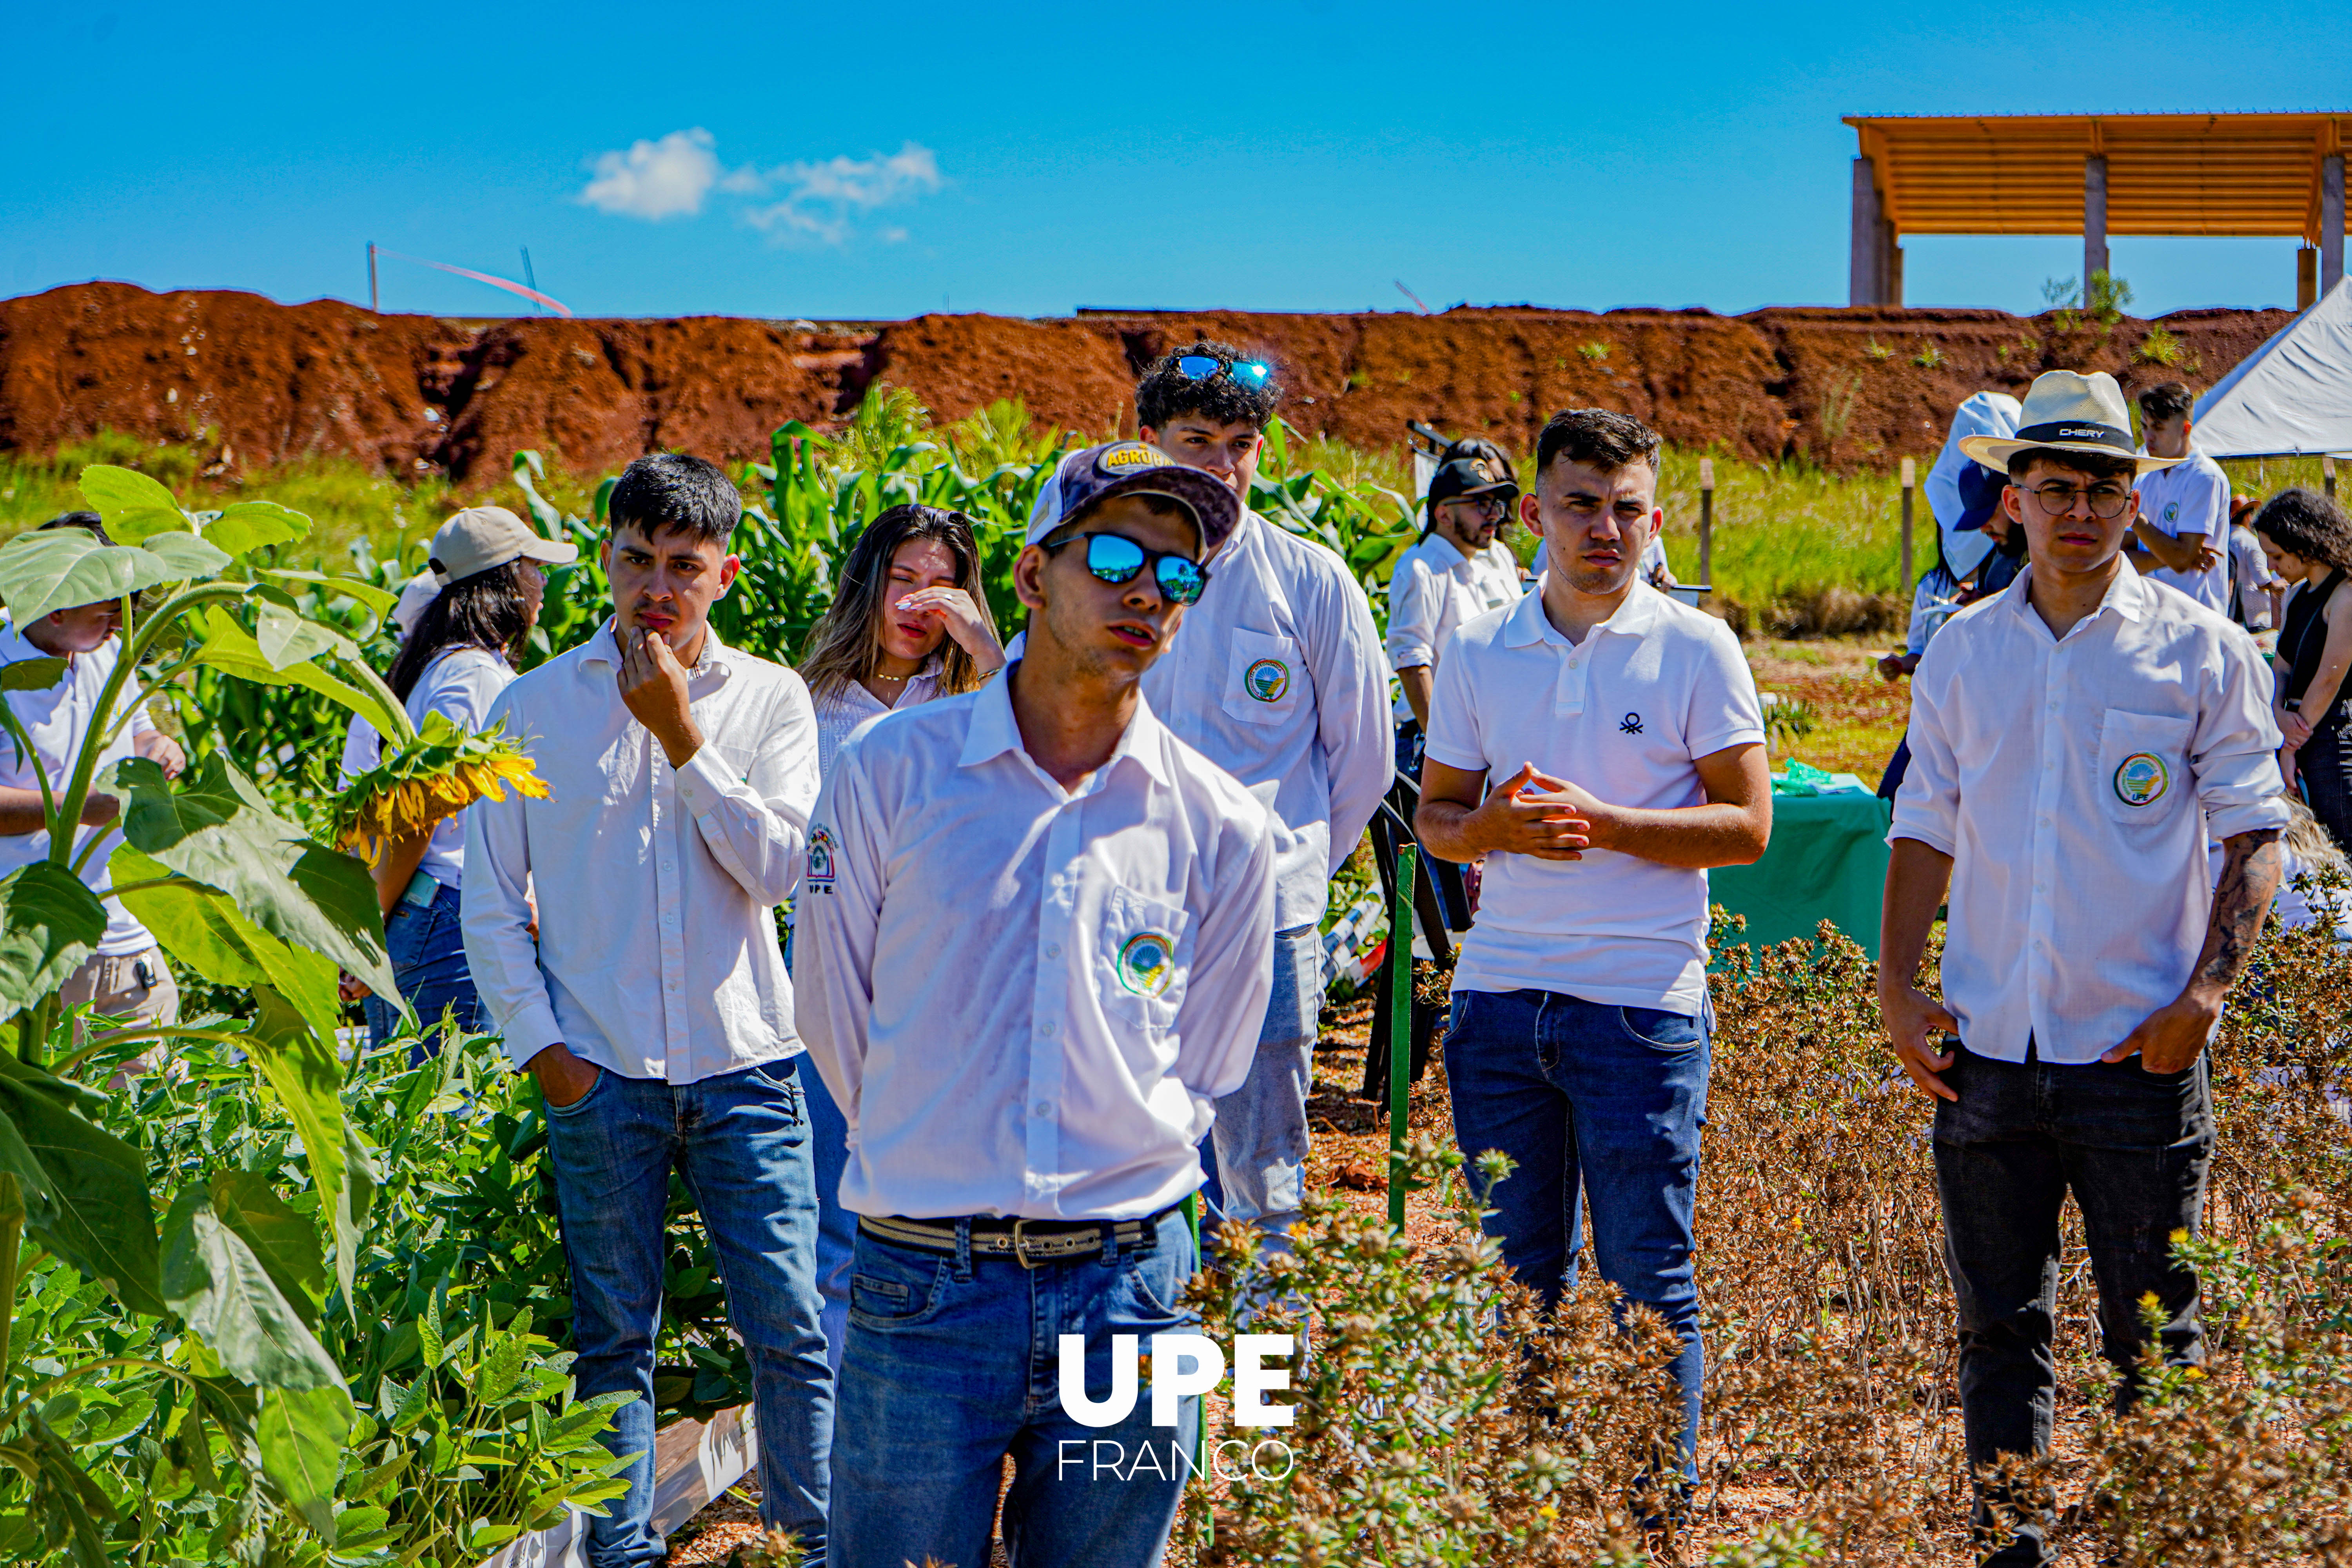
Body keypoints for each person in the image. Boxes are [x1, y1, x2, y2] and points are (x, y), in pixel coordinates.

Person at [796, 441, 1275, 1568]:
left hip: (1134, 1302)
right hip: (921, 1293)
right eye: (1114, 554)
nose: (1148, 589)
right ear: (1029, 576)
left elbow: (1205, 1064)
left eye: (1178, 571)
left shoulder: (1218, 823)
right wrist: (937, 1153)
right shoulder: (887, 774)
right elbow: (832, 1012)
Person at [1883, 370, 2288, 1568]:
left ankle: (2152, 1543)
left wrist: (2202, 999)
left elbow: (2252, 832)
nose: (2074, 509)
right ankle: (2008, 1550)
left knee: (2153, 1337)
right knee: (1997, 1332)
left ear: (2132, 499)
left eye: (2098, 488)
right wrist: (1898, 985)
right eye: (2049, 486)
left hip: (2134, 1057)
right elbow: (1924, 823)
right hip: (1987, 1058)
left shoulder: (2199, 653)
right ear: (2009, 501)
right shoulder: (1961, 653)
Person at [461, 454, 833, 1566]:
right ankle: (621, 1555)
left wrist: (681, 735)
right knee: (614, 1340)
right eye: (636, 560)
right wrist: (550, 1059)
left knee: (791, 1332)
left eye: (683, 565)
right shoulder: (532, 708)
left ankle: (813, 1547)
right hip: (601, 1075)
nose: (656, 587)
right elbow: (490, 904)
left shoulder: (771, 699)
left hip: (747, 1070)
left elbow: (778, 872)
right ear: (608, 558)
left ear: (723, 572)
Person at [1414, 407, 1773, 1479]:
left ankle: (1651, 1506)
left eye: (1627, 510)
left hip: (1642, 1006)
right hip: (1501, 1004)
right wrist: (1490, 832)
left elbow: (1749, 827)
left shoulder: (1697, 647)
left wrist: (1606, 825)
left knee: (1646, 1276)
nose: (1605, 531)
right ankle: (1534, 1493)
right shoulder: (1478, 650)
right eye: (1581, 506)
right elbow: (1436, 815)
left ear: (1655, 519)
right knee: (1516, 1275)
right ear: (1535, 514)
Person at [1122, 340, 1391, 1254]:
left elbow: (1364, 763)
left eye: (1240, 444)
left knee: (1266, 1175)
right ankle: (1161, 1387)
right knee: (1136, 1162)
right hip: (1134, 915)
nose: (1220, 464)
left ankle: (1271, 1397)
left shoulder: (1310, 580)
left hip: (1266, 927)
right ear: (1148, 440)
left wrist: (1285, 863)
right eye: (1196, 439)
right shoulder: (1107, 581)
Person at [789, 502, 1004, 1371]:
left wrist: (990, 655)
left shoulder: (978, 699)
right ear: (868, 585)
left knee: (961, 1224)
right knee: (836, 1225)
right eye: (903, 580)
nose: (920, 602)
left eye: (942, 584)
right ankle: (844, 1427)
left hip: (949, 995)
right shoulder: (806, 701)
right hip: (836, 984)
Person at [340, 507, 575, 1058]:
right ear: (505, 580)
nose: (543, 584)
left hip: (423, 914)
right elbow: (424, 810)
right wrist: (365, 935)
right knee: (444, 1117)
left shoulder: (431, 668)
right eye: (534, 568)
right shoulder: (471, 677)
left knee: (417, 1112)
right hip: (444, 917)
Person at [0, 514, 187, 1070]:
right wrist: (81, 809)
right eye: (108, 613)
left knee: (149, 1115)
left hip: (124, 934)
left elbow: (138, 730)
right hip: (22, 941)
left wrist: (160, 747)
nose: (119, 626)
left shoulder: (108, 653)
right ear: (58, 606)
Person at [1386, 453, 1521, 774]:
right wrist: (1442, 747)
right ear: (1443, 514)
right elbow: (1411, 662)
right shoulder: (1422, 569)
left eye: (1497, 505)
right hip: (1435, 742)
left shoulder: (1498, 556)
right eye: (1480, 505)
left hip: (1494, 740)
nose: (1493, 516)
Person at [2254, 487, 2352, 851]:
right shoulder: (2297, 595)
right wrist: (2278, 713)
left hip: (2335, 741)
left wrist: (2292, 743)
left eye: (2276, 556)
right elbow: (2281, 668)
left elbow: (2330, 677)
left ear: (2304, 542)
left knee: (2344, 850)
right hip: (2298, 733)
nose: (2271, 568)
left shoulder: (2346, 594)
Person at [2123, 380, 2231, 615]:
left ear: (2186, 429)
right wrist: (2172, 556)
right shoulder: (2142, 475)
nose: (2148, 437)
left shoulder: (2205, 476)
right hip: (2147, 615)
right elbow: (2124, 559)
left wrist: (2136, 518)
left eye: (2158, 428)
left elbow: (2181, 561)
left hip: (2196, 621)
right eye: (2145, 426)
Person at [2226, 493, 2279, 633]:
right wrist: (2281, 586)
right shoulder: (2250, 542)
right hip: (2254, 619)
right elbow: (2262, 580)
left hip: (2230, 615)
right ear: (2248, 517)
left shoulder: (2223, 540)